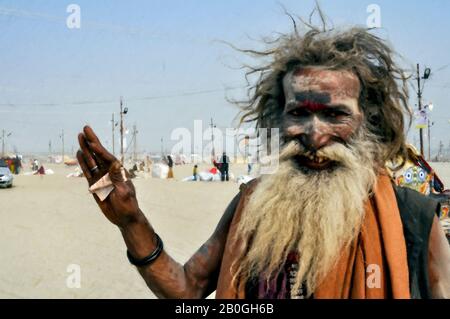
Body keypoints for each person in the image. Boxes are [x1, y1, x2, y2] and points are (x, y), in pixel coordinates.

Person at [77, 15, 450, 299]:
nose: (315, 135)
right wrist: (131, 220)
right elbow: (186, 289)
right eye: (299, 114)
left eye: (336, 115)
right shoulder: (252, 205)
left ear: (366, 121)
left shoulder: (412, 219)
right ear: (278, 118)